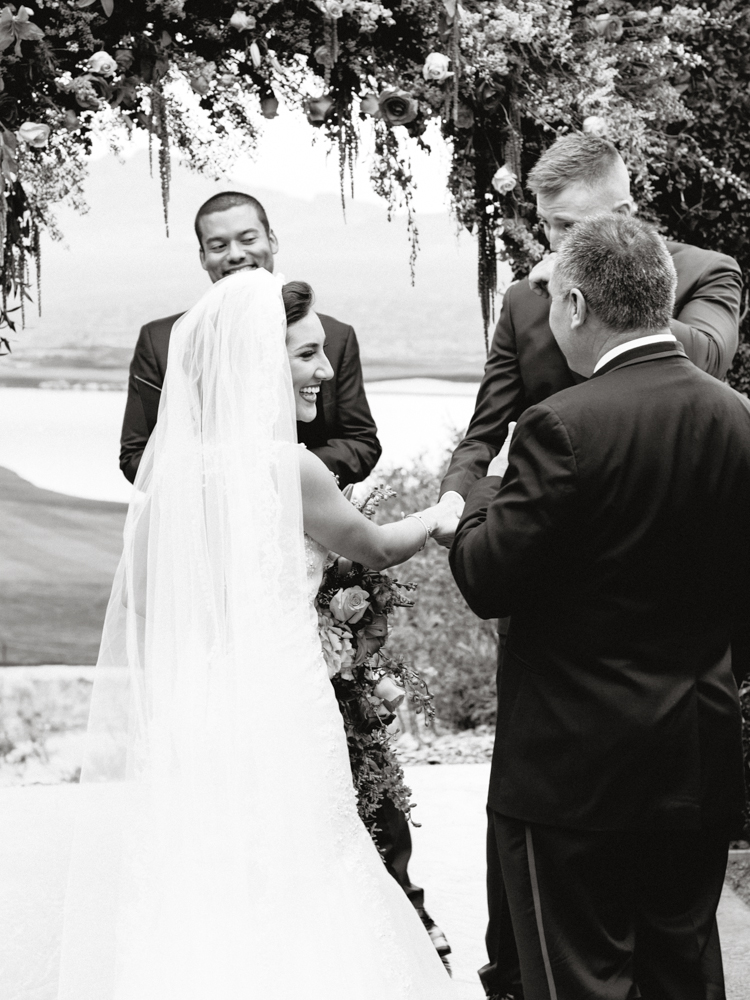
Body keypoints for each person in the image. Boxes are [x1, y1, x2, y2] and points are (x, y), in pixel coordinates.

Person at [56, 269, 459, 1000]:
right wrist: (442, 512)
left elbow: (148, 600)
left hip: (200, 709)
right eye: (306, 354)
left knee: (212, 877)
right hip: (280, 708)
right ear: (258, 361)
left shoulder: (169, 468)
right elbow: (376, 545)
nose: (324, 369)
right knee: (305, 872)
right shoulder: (288, 465)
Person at [435, 132, 743, 1000]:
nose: (550, 251)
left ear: (625, 213)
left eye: (573, 231)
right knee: (640, 948)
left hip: (590, 715)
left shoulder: (704, 273)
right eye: (547, 229)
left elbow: (698, 355)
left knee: (588, 959)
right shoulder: (529, 301)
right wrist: (463, 494)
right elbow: (488, 425)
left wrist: (602, 284)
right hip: (637, 682)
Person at [119, 191, 380, 489]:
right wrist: (223, 486)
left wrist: (284, 475)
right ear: (203, 257)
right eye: (218, 245)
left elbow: (361, 444)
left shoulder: (334, 336)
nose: (235, 254)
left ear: (272, 240)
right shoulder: (162, 340)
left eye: (247, 239)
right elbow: (136, 456)